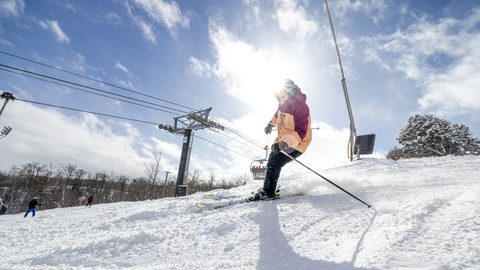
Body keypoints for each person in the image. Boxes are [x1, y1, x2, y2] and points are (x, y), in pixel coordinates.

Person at [249, 79, 312, 201]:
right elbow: (277, 115)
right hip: (283, 140)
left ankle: (268, 193)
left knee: (275, 161)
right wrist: (270, 125)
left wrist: (285, 144)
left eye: (280, 94)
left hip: (298, 142)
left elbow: (301, 131)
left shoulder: (301, 107)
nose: (278, 98)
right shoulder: (282, 105)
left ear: (291, 92)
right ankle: (268, 188)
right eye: (276, 94)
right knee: (272, 160)